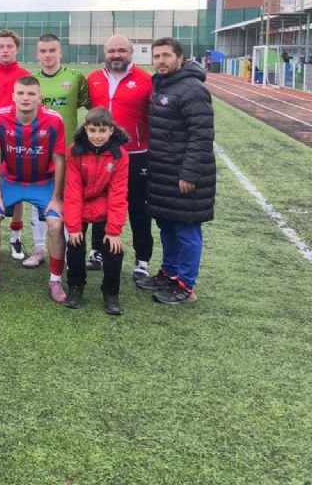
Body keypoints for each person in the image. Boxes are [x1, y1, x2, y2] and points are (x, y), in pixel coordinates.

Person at [137, 37, 215, 305]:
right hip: (162, 172)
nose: (161, 61)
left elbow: (201, 136)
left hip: (183, 174)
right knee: (167, 225)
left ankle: (186, 285)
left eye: (166, 55)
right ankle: (169, 273)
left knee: (186, 229)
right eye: (156, 56)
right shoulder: (162, 85)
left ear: (180, 58)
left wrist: (189, 174)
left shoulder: (192, 89)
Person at [0, 76, 67, 301]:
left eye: (31, 94)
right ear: (13, 96)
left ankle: (55, 279)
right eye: (20, 93)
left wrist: (57, 198)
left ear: (40, 98)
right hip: (11, 181)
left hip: (43, 182)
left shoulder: (54, 120)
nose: (25, 98)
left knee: (55, 224)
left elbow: (59, 159)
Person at [87, 34, 154, 281]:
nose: (116, 55)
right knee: (99, 203)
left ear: (131, 53)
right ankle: (97, 251)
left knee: (138, 207)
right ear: (105, 53)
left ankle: (142, 260)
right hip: (102, 154)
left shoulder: (146, 80)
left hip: (136, 154)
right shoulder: (93, 79)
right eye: (112, 51)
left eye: (122, 51)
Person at [29, 34, 89, 269]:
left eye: (52, 50)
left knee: (67, 201)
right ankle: (38, 249)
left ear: (61, 52)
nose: (48, 55)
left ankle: (63, 252)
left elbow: (86, 105)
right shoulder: (32, 81)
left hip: (68, 153)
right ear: (37, 54)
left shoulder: (75, 77)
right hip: (38, 152)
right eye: (43, 51)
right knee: (38, 202)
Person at [63, 107, 130, 315]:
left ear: (111, 130)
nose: (97, 136)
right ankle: (75, 286)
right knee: (74, 244)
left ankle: (111, 293)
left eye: (102, 131)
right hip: (81, 203)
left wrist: (114, 231)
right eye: (92, 130)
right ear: (86, 129)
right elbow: (72, 191)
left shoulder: (120, 155)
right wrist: (74, 227)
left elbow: (118, 193)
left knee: (113, 248)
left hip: (105, 204)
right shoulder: (75, 151)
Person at [0, 29, 31, 259]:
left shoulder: (25, 76)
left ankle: (15, 239)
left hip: (16, 145)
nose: (5, 50)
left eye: (10, 46)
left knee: (17, 192)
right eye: (1, 46)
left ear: (17, 49)